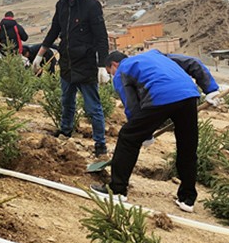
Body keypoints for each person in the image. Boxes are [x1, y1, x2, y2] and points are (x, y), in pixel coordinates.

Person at [91, 50, 220, 212]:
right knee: (187, 147)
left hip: (160, 96)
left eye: (110, 72)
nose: (112, 76)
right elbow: (193, 62)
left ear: (114, 65)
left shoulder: (122, 70)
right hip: (188, 96)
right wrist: (211, 89)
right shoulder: (157, 55)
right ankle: (187, 199)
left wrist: (143, 134)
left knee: (128, 137)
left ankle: (117, 190)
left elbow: (131, 106)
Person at [35, 0, 110, 156]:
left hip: (85, 64)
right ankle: (65, 132)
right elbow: (54, 30)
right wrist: (40, 54)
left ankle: (100, 144)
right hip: (67, 63)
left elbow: (101, 37)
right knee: (67, 101)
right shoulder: (61, 5)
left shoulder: (91, 6)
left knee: (93, 107)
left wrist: (102, 65)